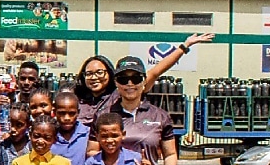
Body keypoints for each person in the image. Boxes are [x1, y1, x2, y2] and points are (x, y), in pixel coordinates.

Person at [73, 33, 215, 124]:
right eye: (89, 74)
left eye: (99, 72)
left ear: (111, 75)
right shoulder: (76, 100)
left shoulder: (120, 94)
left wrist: (184, 47)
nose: (94, 78)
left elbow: (155, 72)